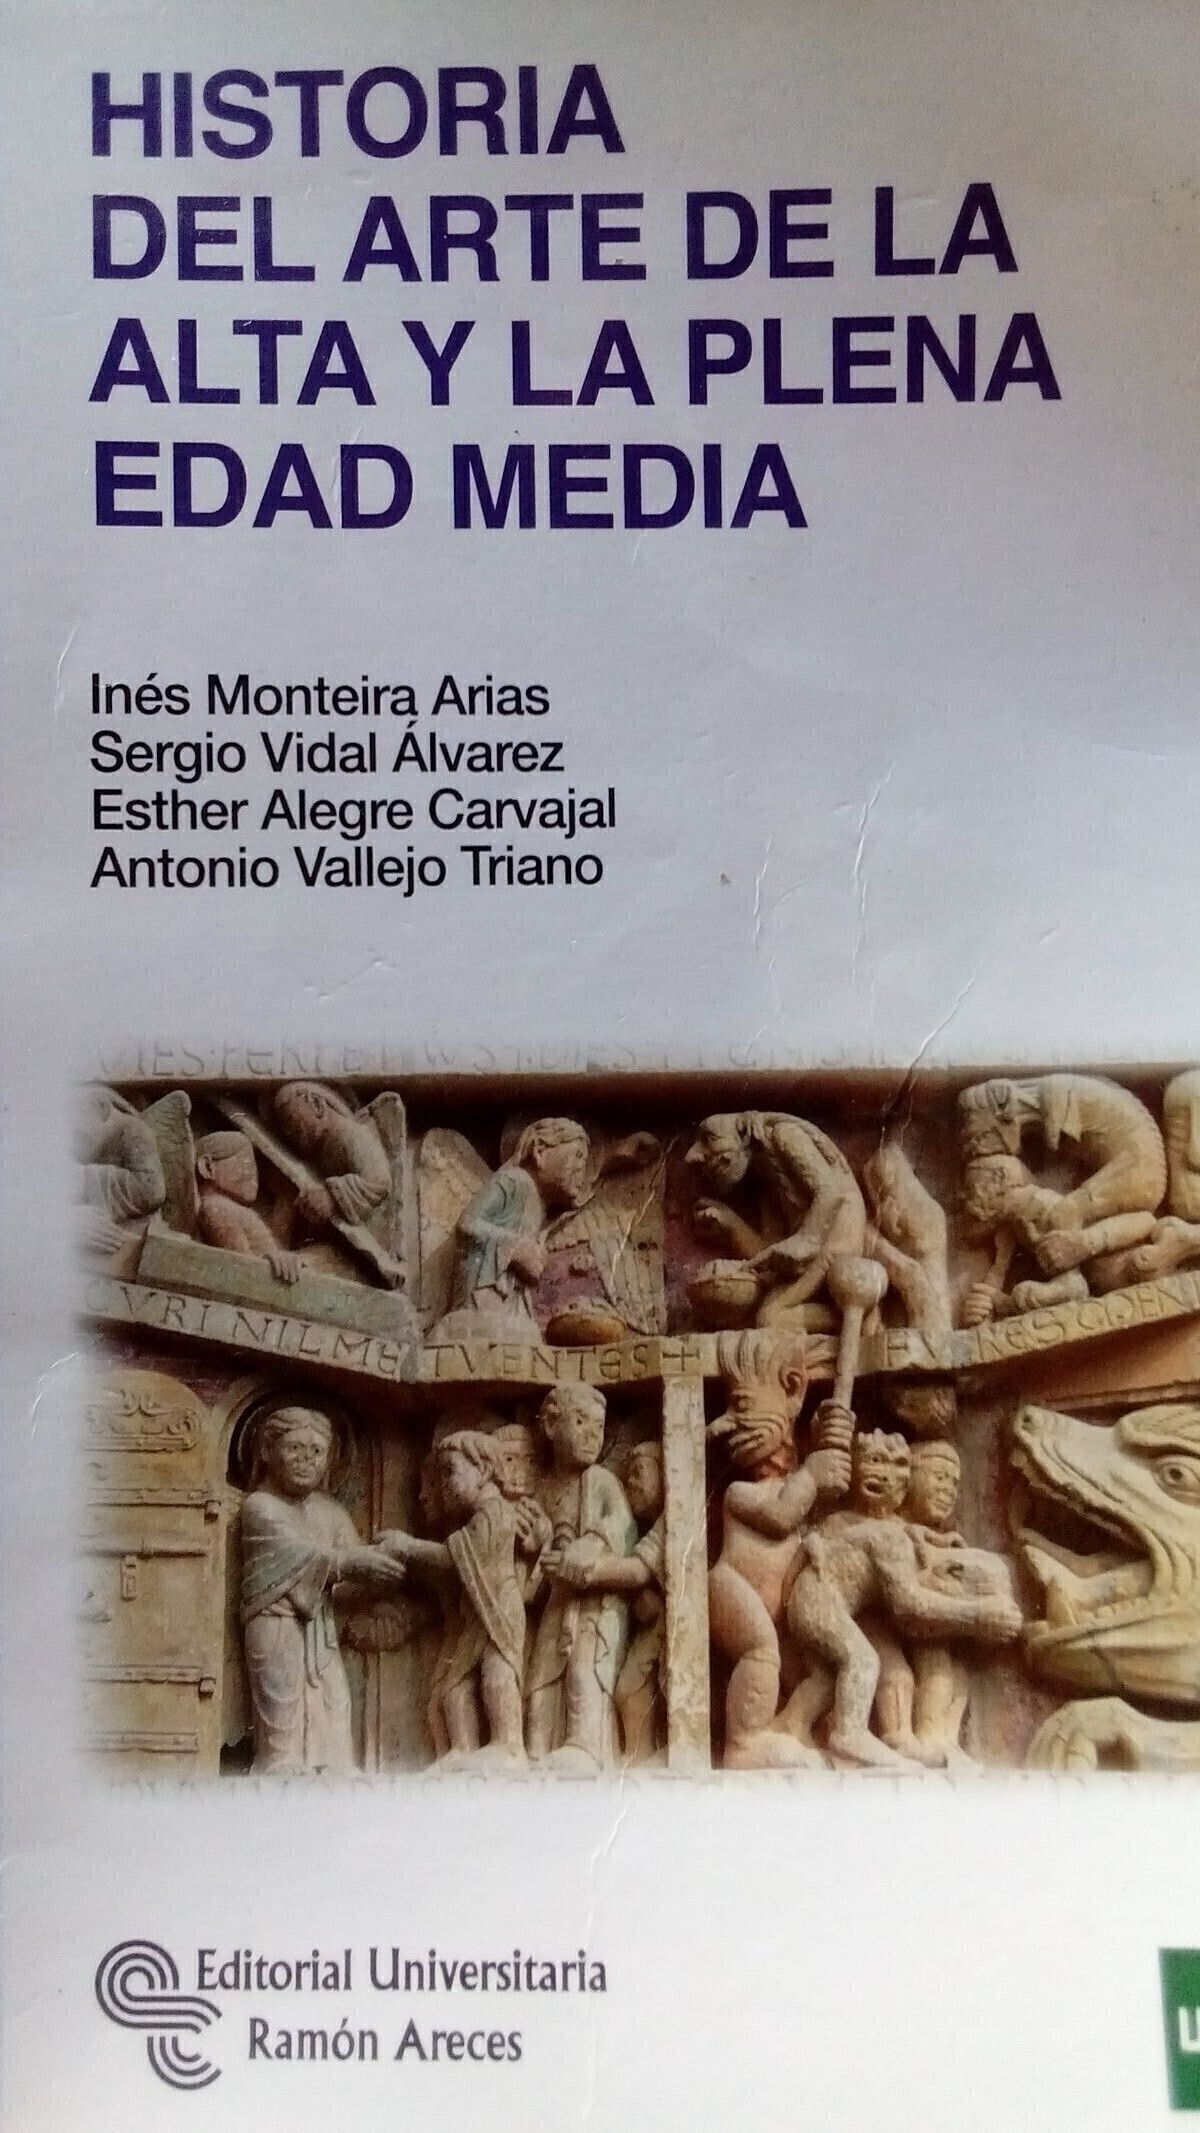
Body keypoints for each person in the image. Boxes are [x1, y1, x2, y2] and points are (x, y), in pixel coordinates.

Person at [239, 1405, 406, 1774]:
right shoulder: (261, 1507)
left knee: (334, 1699)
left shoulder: (331, 1513)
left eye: (317, 1451)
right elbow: (303, 1558)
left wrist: (383, 1572)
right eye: (294, 1448)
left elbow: (348, 1578)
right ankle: (279, 1770)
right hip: (277, 1625)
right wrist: (351, 1564)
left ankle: (335, 1774)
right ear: (267, 1451)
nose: (307, 1460)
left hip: (322, 1630)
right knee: (283, 1703)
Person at [378, 1431, 542, 1767]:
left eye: (450, 1472)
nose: (443, 1486)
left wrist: (408, 1547)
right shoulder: (480, 1517)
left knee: (497, 1672)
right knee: (455, 1683)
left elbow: (456, 1558)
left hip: (498, 1606)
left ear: (484, 1471)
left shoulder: (496, 1513)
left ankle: (509, 1744)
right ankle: (461, 1749)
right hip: (476, 1610)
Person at [526, 1385, 634, 1769]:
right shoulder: (540, 1489)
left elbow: (621, 1525)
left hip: (593, 1604)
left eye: (599, 1427)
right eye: (580, 1422)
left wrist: (589, 1546)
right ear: (551, 1425)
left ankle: (585, 1745)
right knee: (540, 1681)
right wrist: (535, 1547)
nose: (592, 1435)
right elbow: (534, 1554)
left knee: (582, 1670)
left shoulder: (601, 1481)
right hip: (556, 1602)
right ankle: (536, 1751)